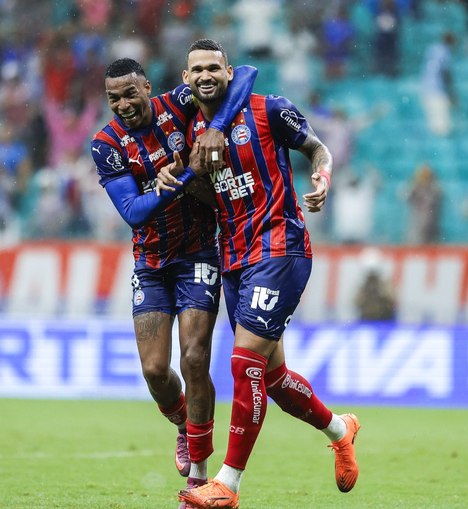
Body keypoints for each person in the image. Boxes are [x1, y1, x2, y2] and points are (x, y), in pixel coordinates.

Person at [158, 39, 360, 509]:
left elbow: (319, 149)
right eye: (196, 70)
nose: (206, 75)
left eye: (214, 67)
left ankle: (227, 484)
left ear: (228, 72)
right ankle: (340, 429)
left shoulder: (270, 110)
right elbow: (217, 197)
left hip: (281, 248)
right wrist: (181, 182)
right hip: (234, 259)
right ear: (186, 80)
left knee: (243, 361)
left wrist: (322, 179)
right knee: (272, 379)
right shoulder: (191, 131)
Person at [90, 57, 257, 504]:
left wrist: (216, 127)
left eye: (130, 93)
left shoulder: (177, 102)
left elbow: (245, 75)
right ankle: (186, 425)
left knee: (196, 358)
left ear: (147, 86)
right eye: (113, 99)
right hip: (151, 263)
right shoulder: (106, 144)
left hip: (199, 253)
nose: (123, 104)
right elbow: (132, 212)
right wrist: (177, 179)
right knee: (154, 370)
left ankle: (199, 477)